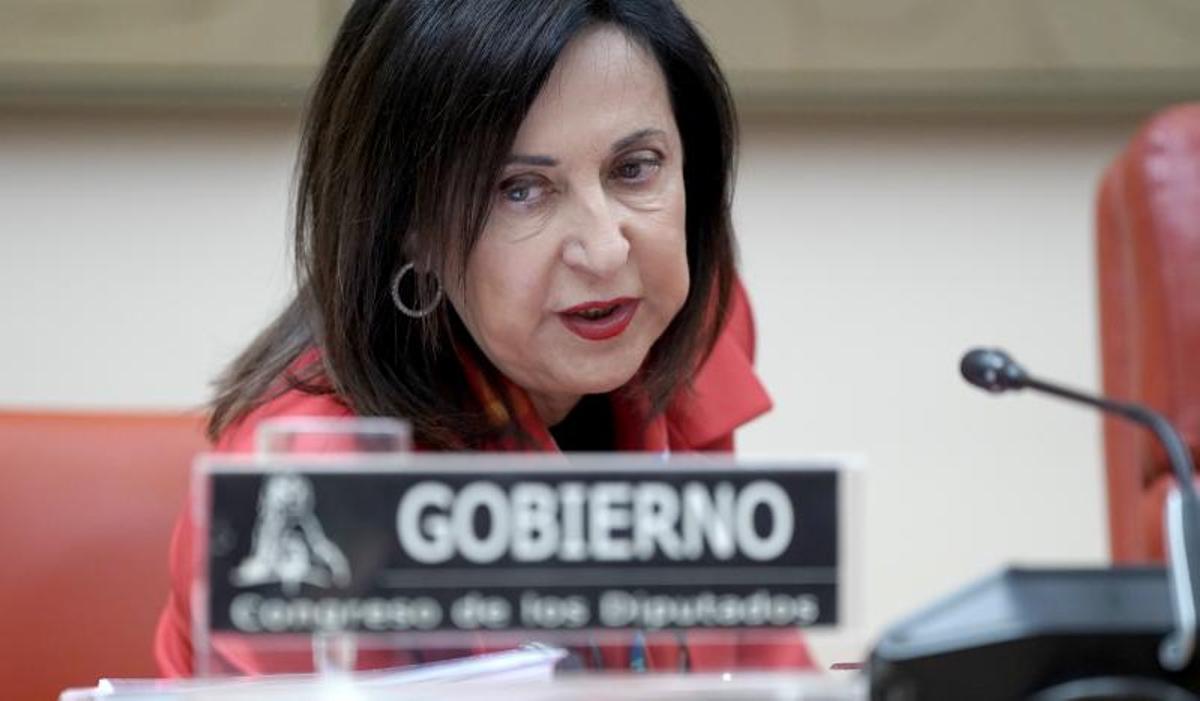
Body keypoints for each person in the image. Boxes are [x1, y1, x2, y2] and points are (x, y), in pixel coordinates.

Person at [155, 0, 811, 676]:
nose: (606, 249)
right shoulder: (316, 481)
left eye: (634, 167)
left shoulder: (688, 324)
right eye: (520, 189)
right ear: (410, 225)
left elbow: (756, 652)